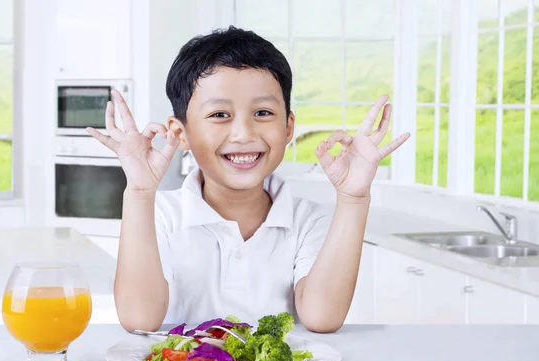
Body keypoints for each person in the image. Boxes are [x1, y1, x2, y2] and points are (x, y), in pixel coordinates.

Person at [86, 26, 410, 333]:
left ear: (288, 128)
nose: (243, 134)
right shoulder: (160, 215)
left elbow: (322, 317)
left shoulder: (309, 221)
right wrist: (140, 192)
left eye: (263, 113)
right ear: (179, 133)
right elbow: (138, 320)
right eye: (220, 115)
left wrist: (354, 199)